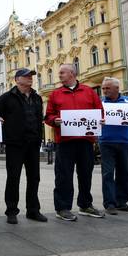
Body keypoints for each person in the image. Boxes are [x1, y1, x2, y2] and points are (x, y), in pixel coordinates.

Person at [45, 64, 104, 221]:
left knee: (86, 174)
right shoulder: (55, 94)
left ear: (72, 73)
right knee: (63, 175)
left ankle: (85, 205)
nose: (59, 75)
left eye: (62, 72)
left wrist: (101, 120)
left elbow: (100, 111)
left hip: (85, 141)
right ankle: (62, 208)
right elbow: (48, 116)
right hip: (65, 142)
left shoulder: (89, 91)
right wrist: (54, 121)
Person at [0, 68, 47, 224]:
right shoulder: (6, 98)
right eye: (26, 76)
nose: (30, 78)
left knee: (34, 178)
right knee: (13, 178)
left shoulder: (37, 98)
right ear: (17, 79)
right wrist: (0, 123)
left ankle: (33, 210)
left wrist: (40, 138)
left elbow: (39, 120)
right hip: (15, 144)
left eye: (31, 76)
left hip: (33, 143)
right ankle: (11, 211)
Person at [100, 77, 128, 215]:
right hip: (106, 142)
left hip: (124, 142)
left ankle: (121, 202)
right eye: (103, 88)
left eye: (107, 88)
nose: (104, 91)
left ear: (117, 88)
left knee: (124, 172)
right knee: (108, 173)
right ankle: (110, 203)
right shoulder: (101, 103)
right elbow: (94, 120)